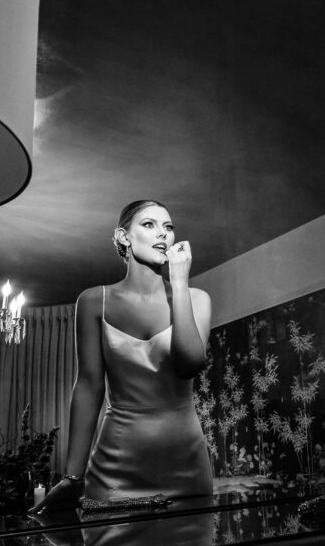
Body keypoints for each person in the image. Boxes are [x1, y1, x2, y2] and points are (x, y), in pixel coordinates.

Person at [32, 199, 213, 512]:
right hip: (115, 466)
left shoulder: (196, 299)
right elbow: (89, 387)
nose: (163, 234)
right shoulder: (93, 302)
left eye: (168, 227)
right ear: (123, 237)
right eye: (149, 224)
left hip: (186, 464)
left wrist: (180, 283)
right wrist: (72, 476)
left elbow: (189, 365)